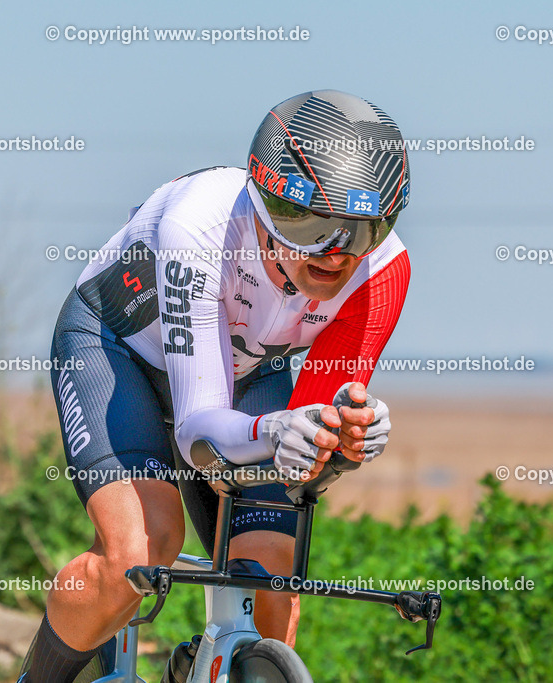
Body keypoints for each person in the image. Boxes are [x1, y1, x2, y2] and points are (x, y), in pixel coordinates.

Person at [21, 89, 412, 682]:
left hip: (245, 373)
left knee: (271, 579)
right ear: (261, 201)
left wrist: (343, 440)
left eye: (361, 230)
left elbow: (307, 451)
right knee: (139, 551)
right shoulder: (198, 228)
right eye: (309, 224)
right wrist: (276, 430)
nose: (335, 255)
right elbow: (199, 431)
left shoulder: (383, 272)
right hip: (117, 348)